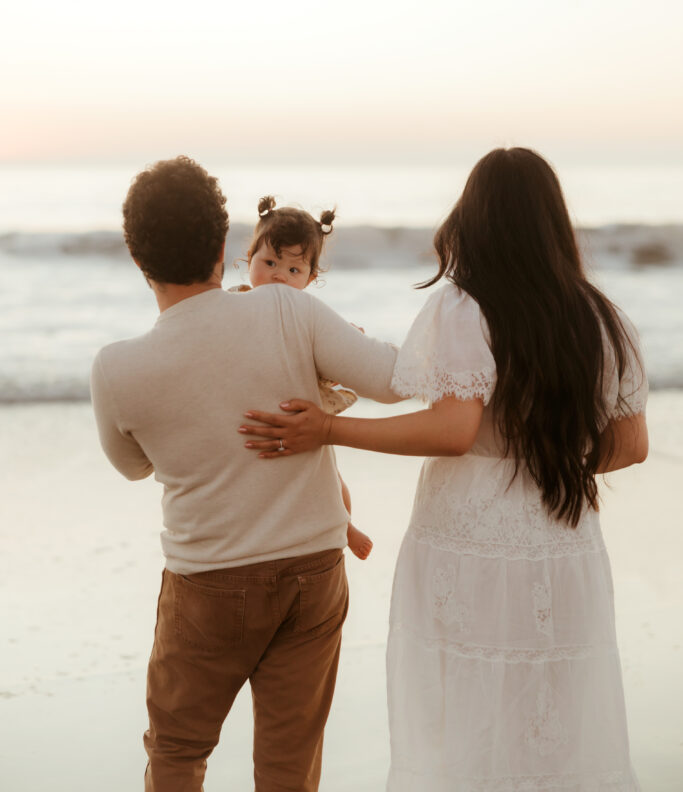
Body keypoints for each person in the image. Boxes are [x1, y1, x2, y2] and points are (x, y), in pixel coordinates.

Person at [240, 148, 649, 791]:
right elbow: (629, 445)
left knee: (461, 713)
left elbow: (454, 432)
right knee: (554, 712)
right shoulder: (602, 319)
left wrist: (329, 427)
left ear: (475, 217)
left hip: (468, 537)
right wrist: (545, 453)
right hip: (560, 540)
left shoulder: (465, 309)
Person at [89, 156, 400, 792]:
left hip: (208, 584)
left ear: (137, 258)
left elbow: (132, 466)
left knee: (177, 752)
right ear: (227, 243)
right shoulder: (292, 312)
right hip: (313, 570)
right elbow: (396, 381)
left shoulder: (117, 369)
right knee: (289, 766)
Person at [231, 194, 374, 559]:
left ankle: (344, 524)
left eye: (293, 271)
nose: (278, 274)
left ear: (310, 279)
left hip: (296, 408)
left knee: (328, 476)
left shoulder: (308, 314)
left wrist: (351, 339)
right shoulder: (234, 303)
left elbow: (331, 344)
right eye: (269, 262)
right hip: (250, 405)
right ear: (249, 260)